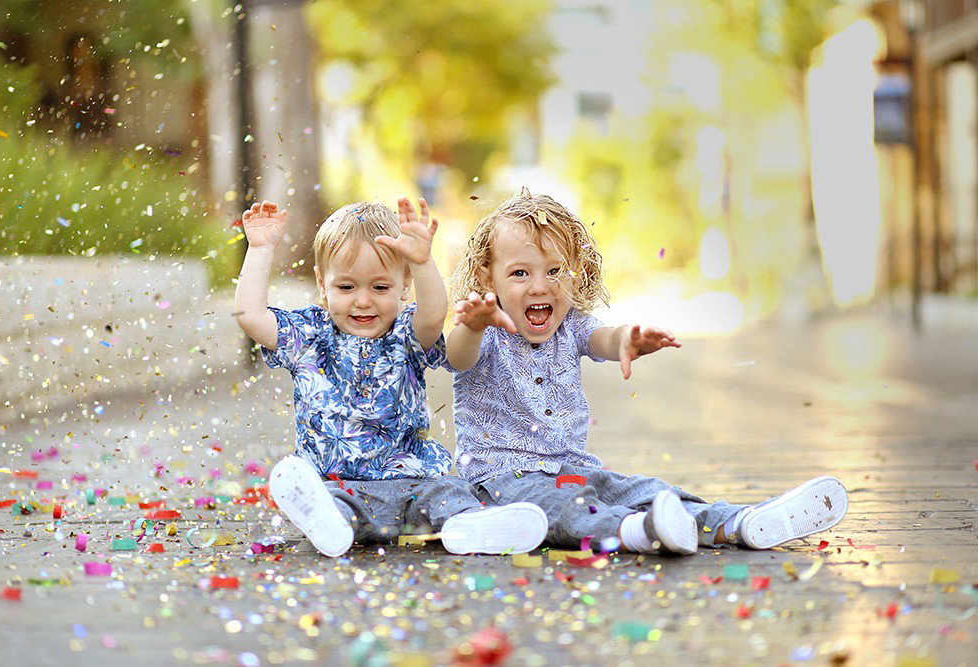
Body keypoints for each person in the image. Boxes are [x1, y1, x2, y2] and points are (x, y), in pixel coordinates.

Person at [444, 188, 848, 555]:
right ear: (486, 276)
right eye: (520, 273)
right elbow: (458, 357)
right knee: (564, 509)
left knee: (644, 489)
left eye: (554, 271)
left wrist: (625, 341)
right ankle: (636, 530)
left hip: (573, 468)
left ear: (574, 273)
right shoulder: (482, 332)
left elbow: (602, 337)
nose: (539, 287)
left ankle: (737, 523)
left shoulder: (570, 326)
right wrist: (474, 324)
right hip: (500, 483)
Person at [235, 198, 548, 557]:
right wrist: (260, 250)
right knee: (327, 500)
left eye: (380, 288)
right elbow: (251, 317)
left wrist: (423, 261)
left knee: (449, 493)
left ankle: (464, 526)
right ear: (323, 285)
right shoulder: (308, 335)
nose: (363, 301)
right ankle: (330, 525)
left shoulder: (405, 333)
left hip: (411, 482)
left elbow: (434, 315)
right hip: (336, 482)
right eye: (347, 288)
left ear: (403, 287)